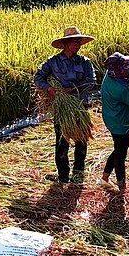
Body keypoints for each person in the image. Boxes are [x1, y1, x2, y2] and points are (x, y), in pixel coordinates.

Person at [33, 26, 97, 184]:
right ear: (66, 43)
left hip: (80, 107)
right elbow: (38, 77)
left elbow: (92, 81)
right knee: (62, 143)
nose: (77, 45)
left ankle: (78, 175)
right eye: (74, 42)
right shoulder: (52, 62)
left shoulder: (84, 62)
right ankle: (63, 176)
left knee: (81, 143)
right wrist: (48, 88)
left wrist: (74, 89)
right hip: (62, 110)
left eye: (79, 42)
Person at [100, 52, 129, 192]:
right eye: (125, 68)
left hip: (112, 115)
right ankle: (122, 186)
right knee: (121, 153)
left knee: (119, 148)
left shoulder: (113, 73)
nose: (128, 70)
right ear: (118, 71)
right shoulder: (120, 89)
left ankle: (105, 177)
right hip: (119, 122)